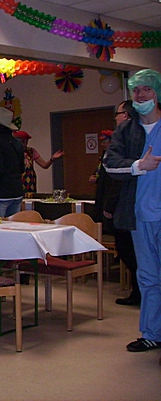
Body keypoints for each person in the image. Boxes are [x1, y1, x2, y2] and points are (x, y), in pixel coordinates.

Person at [104, 69, 161, 353]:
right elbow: (109, 164)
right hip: (140, 217)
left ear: (157, 93)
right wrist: (138, 166)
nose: (140, 95)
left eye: (146, 89)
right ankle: (152, 333)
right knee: (148, 277)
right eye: (136, 90)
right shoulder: (126, 130)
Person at [105, 100, 140, 306]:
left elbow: (118, 182)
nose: (116, 118)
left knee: (130, 252)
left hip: (127, 208)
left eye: (118, 114)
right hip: (122, 207)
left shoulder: (130, 139)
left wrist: (110, 206)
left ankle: (139, 293)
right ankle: (138, 292)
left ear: (126, 115)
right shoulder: (121, 140)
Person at [13, 130, 64, 195]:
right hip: (16, 183)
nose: (25, 144)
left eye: (26, 142)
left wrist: (52, 159)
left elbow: (44, 165)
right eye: (22, 142)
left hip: (30, 184)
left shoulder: (31, 151)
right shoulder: (12, 152)